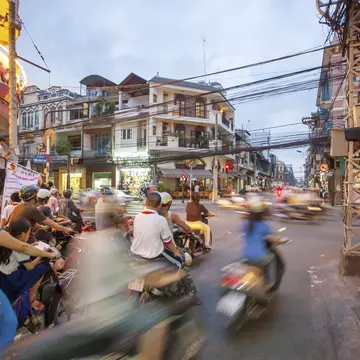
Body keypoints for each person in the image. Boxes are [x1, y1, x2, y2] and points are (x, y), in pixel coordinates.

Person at [0, 227, 58, 349]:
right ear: (22, 234)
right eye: (28, 232)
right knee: (10, 322)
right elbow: (24, 249)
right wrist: (48, 254)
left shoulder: (7, 238)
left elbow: (23, 247)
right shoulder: (14, 244)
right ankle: (32, 299)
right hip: (10, 280)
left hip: (5, 277)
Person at [240, 197, 282, 290]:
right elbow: (272, 239)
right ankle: (270, 284)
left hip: (245, 255)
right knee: (272, 259)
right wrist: (280, 240)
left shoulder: (245, 223)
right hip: (259, 257)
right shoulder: (263, 226)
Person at [8, 185, 74, 243]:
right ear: (34, 197)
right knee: (53, 254)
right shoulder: (31, 208)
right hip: (26, 240)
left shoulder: (20, 206)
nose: (38, 197)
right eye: (36, 195)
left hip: (15, 238)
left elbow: (27, 221)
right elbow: (50, 223)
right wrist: (66, 229)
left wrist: (41, 227)